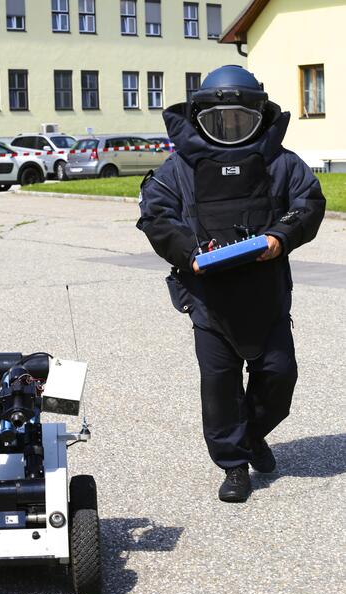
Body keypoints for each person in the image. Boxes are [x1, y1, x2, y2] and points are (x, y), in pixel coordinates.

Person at [137, 65, 326, 503]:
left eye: (242, 118)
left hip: (268, 294)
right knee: (220, 385)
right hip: (208, 299)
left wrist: (281, 237)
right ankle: (234, 465)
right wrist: (191, 254)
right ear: (199, 115)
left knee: (280, 377)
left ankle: (253, 433)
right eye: (220, 120)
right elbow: (157, 217)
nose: (231, 127)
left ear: (259, 114)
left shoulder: (279, 161)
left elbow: (309, 203)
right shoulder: (179, 167)